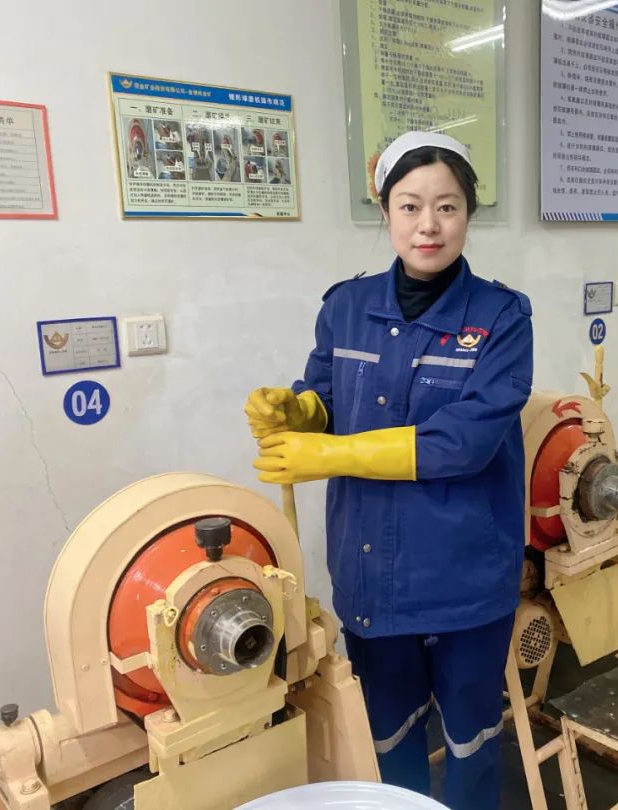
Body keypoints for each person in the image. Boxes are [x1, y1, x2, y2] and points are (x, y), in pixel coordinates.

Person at [245, 131, 532, 809]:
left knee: (471, 739)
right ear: (385, 211)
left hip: (464, 578)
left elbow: (464, 442)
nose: (428, 225)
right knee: (387, 735)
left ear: (469, 214)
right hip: (372, 573)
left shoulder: (501, 317)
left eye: (447, 207)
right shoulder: (346, 307)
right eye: (410, 206)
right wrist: (298, 410)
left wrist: (333, 454)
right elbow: (326, 394)